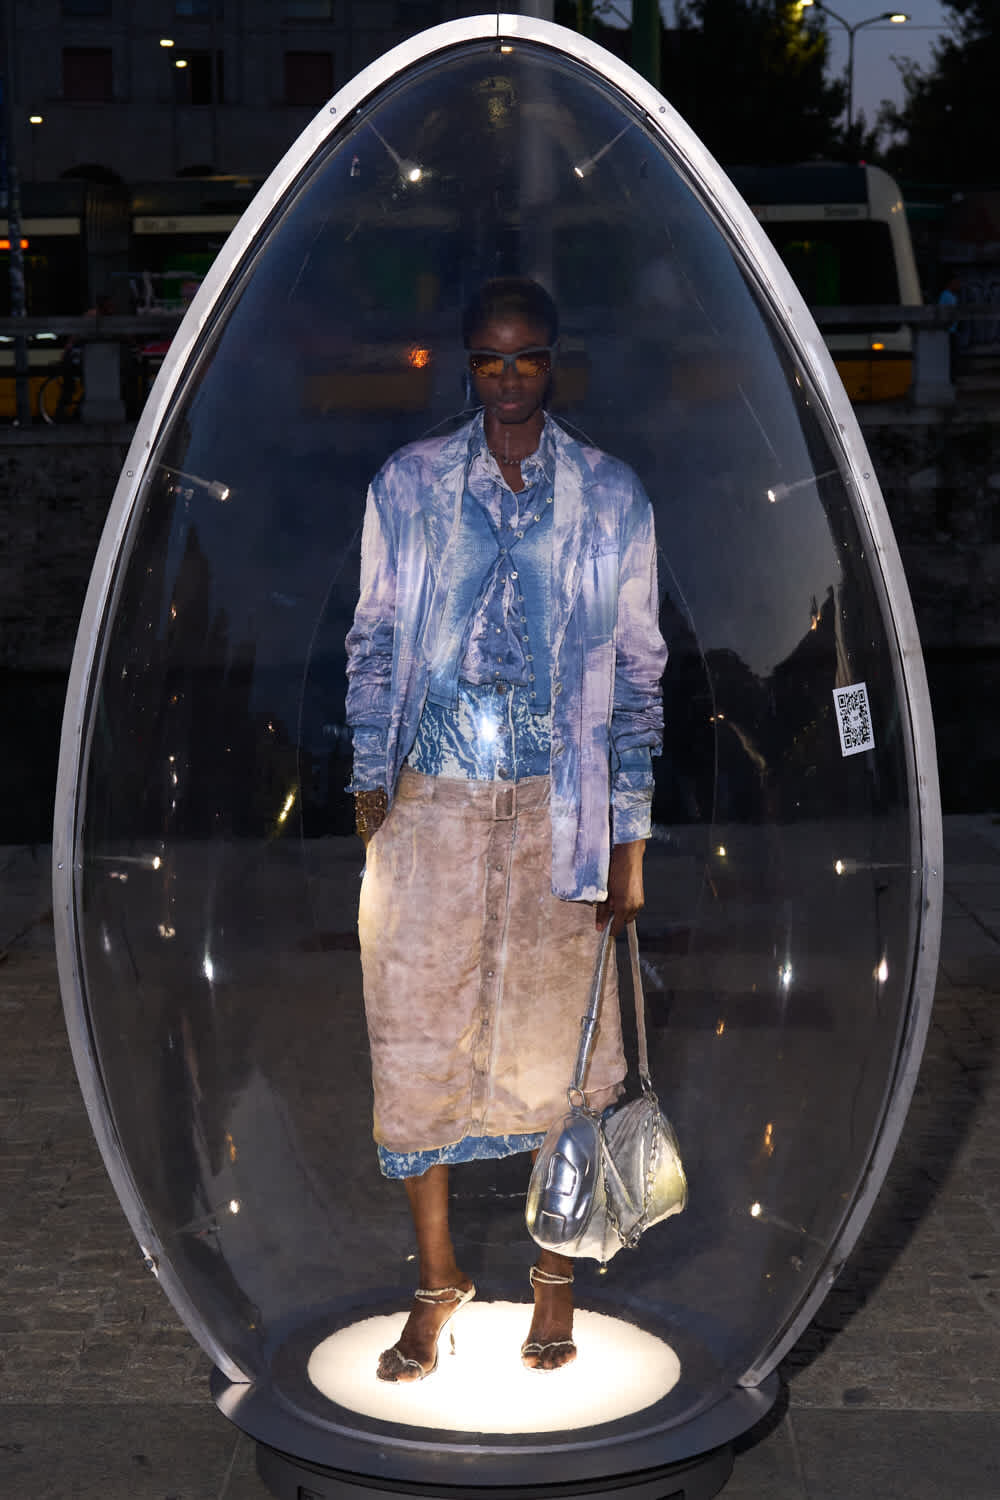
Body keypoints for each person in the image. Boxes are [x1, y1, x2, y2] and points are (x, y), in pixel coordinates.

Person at [345, 277, 666, 1381]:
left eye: (528, 356)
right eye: (490, 359)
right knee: (413, 1040)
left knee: (563, 1052)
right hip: (430, 802)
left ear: (554, 360)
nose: (510, 377)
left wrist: (627, 839)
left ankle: (554, 1280)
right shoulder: (409, 484)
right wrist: (367, 789)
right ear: (465, 366)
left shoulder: (611, 497)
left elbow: (636, 674)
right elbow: (374, 638)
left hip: (559, 810)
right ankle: (435, 1281)